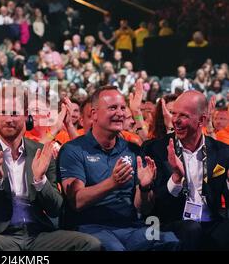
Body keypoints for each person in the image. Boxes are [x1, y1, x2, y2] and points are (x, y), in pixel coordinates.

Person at [0, 84, 101, 251]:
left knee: (90, 244)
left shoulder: (40, 152)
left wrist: (40, 180)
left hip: (37, 234)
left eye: (15, 113)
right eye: (3, 112)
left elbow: (56, 209)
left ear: (26, 116)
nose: (9, 119)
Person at [58, 86, 180, 251]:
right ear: (94, 114)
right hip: (91, 227)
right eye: (112, 108)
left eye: (123, 108)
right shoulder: (73, 150)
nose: (120, 113)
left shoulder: (133, 150)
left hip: (132, 227)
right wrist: (112, 183)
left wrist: (145, 188)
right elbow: (76, 201)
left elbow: (143, 208)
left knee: (170, 241)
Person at [143, 91, 229, 250]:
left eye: (183, 115)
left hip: (211, 222)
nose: (175, 120)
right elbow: (152, 205)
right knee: (191, 229)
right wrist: (175, 178)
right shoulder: (155, 149)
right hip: (167, 222)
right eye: (174, 113)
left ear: (201, 120)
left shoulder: (222, 151)